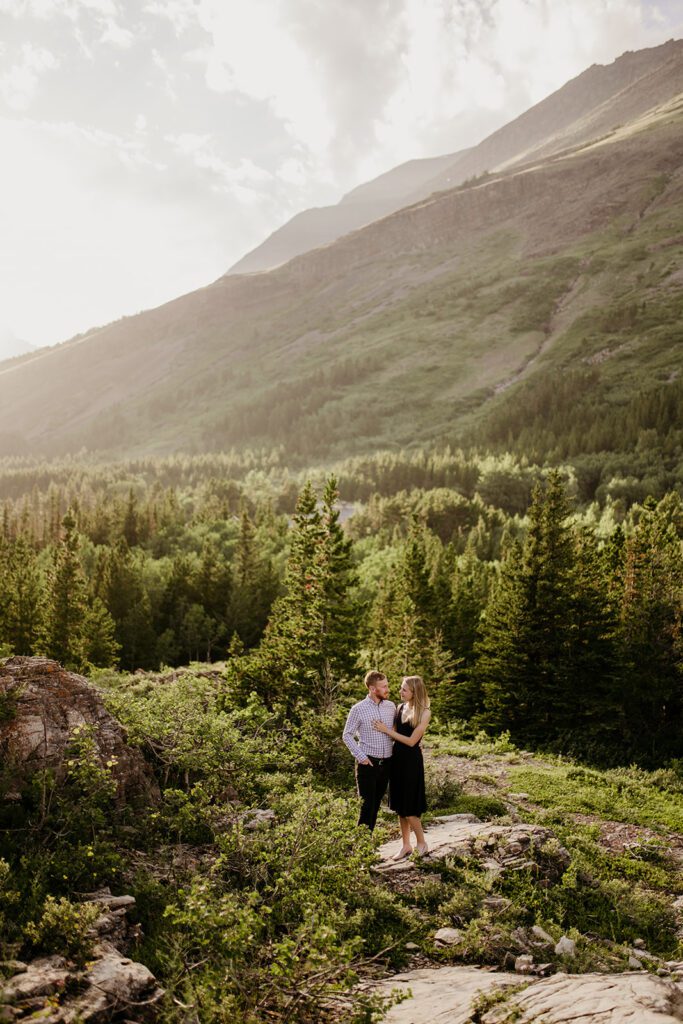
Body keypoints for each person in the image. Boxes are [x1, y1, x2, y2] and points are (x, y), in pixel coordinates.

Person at [373, 675, 430, 859]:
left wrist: (386, 730)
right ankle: (406, 845)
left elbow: (412, 741)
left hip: (411, 762)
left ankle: (422, 843)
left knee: (410, 808)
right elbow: (395, 736)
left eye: (404, 689)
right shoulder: (399, 707)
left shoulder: (424, 712)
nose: (400, 692)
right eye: (400, 688)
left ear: (415, 692)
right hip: (396, 760)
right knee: (399, 807)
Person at [342, 670, 397, 830]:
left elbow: (395, 731)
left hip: (386, 763)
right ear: (372, 689)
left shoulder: (391, 706)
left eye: (387, 685)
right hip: (368, 764)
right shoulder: (358, 709)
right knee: (366, 807)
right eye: (384, 686)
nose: (388, 689)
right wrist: (361, 757)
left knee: (376, 805)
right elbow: (347, 735)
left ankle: (367, 846)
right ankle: (360, 848)